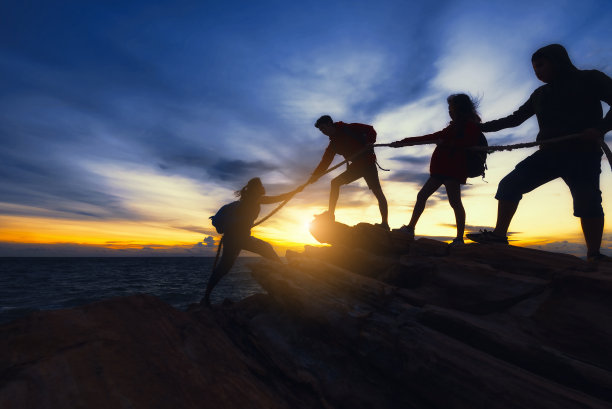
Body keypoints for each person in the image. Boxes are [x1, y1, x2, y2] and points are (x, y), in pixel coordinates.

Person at [466, 44, 612, 262]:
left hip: (582, 154)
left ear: (558, 61)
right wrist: (477, 128)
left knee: (587, 200)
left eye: (541, 65)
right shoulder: (540, 94)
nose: (537, 71)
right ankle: (498, 236)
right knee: (510, 184)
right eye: (534, 67)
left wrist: (600, 129)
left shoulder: (590, 79)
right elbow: (514, 119)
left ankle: (593, 255)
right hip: (549, 154)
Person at [390, 94, 484, 245]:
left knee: (455, 203)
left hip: (453, 171)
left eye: (451, 108)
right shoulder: (451, 128)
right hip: (440, 170)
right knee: (422, 196)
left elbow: (467, 143)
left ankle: (459, 239)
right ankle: (410, 228)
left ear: (459, 109)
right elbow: (428, 137)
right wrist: (402, 143)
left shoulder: (470, 126)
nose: (449, 111)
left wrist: (446, 142)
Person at [203, 177, 298, 306]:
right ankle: (286, 277)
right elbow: (277, 198)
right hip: (240, 238)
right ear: (256, 189)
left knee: (223, 268)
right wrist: (296, 191)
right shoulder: (255, 199)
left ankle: (206, 297)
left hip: (232, 239)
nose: (262, 189)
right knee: (267, 249)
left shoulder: (241, 202)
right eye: (260, 187)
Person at [309, 115, 389, 230]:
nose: (323, 132)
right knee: (335, 183)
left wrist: (370, 142)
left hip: (368, 164)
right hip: (355, 167)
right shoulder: (333, 144)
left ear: (329, 124)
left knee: (378, 193)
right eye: (321, 130)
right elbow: (325, 162)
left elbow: (370, 129)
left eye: (323, 128)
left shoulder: (349, 128)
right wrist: (315, 176)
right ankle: (331, 215)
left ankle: (385, 224)